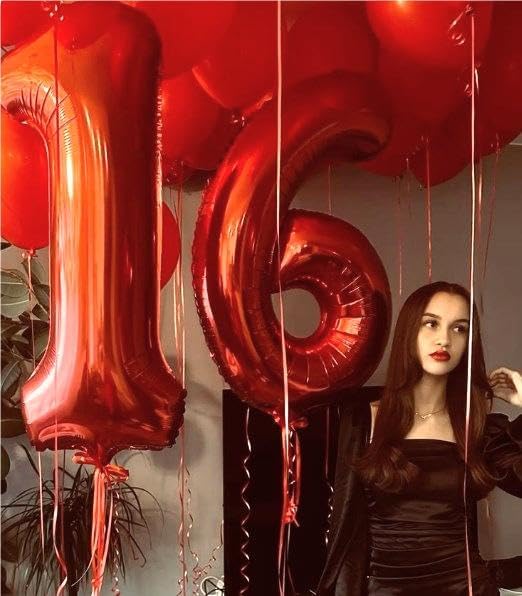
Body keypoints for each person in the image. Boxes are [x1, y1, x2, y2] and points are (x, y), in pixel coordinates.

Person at [316, 281, 522, 596]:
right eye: (431, 323)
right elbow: (344, 527)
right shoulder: (363, 419)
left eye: (459, 329)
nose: (444, 339)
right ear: (409, 330)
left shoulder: (478, 425)